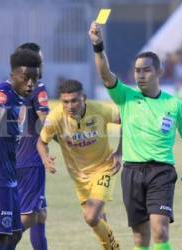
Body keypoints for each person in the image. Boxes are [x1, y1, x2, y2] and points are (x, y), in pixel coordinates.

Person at [88, 22, 182, 250]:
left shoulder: (174, 104)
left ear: (159, 72)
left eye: (146, 70)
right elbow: (105, 74)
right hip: (131, 172)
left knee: (160, 230)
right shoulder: (126, 96)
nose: (140, 75)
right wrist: (98, 46)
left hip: (162, 172)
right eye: (137, 70)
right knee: (140, 238)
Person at [37, 79, 121, 250]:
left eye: (74, 100)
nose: (70, 106)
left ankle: (115, 248)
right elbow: (41, 141)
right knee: (98, 220)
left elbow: (127, 121)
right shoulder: (56, 117)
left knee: (91, 217)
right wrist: (45, 158)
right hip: (79, 177)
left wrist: (120, 152)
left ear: (84, 98)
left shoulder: (99, 110)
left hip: (104, 168)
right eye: (65, 102)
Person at [0, 48, 41, 250]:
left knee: (14, 232)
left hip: (7, 174)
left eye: (34, 79)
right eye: (26, 78)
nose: (30, 83)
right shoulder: (3, 93)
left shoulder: (19, 96)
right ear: (13, 76)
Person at [15, 43, 49, 250]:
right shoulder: (38, 88)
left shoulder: (8, 87)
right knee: (30, 216)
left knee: (40, 215)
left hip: (12, 160)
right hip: (31, 161)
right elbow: (47, 122)